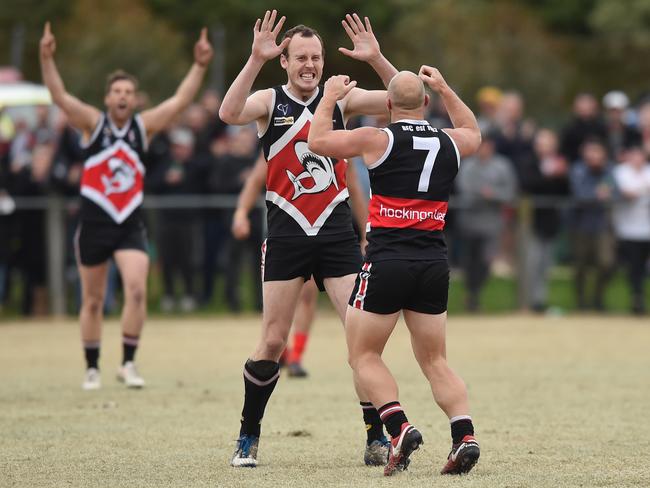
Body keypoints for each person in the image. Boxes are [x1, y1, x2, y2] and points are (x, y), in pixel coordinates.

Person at [219, 10, 397, 467]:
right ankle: (248, 435)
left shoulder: (340, 97)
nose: (309, 65)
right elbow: (228, 112)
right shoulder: (269, 99)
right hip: (286, 233)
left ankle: (375, 437)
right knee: (273, 342)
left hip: (337, 235)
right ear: (286, 61)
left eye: (315, 57)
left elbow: (404, 101)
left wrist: (376, 59)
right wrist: (255, 59)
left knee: (362, 340)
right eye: (300, 57)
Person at [308, 67, 482, 476]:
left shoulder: (377, 138)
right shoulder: (451, 142)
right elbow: (473, 131)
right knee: (435, 360)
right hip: (433, 263)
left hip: (387, 261)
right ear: (425, 104)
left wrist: (330, 96)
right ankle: (465, 435)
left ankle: (398, 426)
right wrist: (445, 87)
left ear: (386, 106)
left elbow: (317, 141)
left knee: (363, 354)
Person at [39, 22, 213, 389]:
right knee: (93, 299)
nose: (122, 96)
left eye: (128, 92)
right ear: (107, 98)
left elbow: (179, 102)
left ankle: (128, 363)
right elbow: (58, 96)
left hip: (129, 223)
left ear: (135, 99)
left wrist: (199, 66)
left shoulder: (141, 128)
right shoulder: (93, 123)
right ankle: (91, 366)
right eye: (117, 91)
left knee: (136, 289)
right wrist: (46, 57)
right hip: (94, 223)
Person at [456, 132, 517, 311]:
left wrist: (493, 195)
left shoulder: (503, 166)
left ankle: (474, 294)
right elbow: (464, 189)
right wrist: (484, 195)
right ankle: (471, 296)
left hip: (492, 224)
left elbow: (510, 192)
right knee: (469, 261)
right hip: (469, 222)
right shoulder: (467, 166)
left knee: (486, 261)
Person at [612, 145, 650, 314]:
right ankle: (637, 300)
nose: (637, 159)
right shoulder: (620, 172)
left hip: (647, 229)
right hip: (628, 229)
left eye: (640, 155)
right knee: (634, 268)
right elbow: (623, 193)